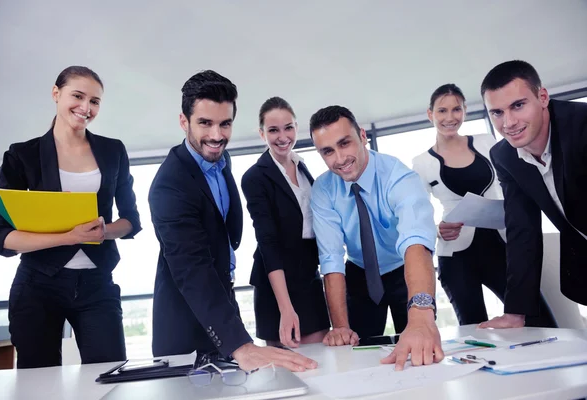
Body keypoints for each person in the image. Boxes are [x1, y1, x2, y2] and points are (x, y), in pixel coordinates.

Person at [148, 71, 317, 372]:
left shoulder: (220, 160)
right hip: (185, 324)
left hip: (223, 305)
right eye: (205, 123)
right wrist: (239, 344)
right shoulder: (169, 185)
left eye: (224, 124)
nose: (216, 135)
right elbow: (192, 268)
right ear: (184, 122)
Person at [0, 66, 142, 369]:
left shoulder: (113, 151)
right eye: (78, 96)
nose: (86, 108)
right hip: (38, 286)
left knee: (110, 375)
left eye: (95, 101)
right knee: (39, 383)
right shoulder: (22, 155)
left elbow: (131, 220)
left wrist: (103, 232)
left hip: (97, 283)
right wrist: (71, 236)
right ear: (56, 94)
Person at [310, 105, 443, 370]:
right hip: (359, 275)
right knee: (355, 358)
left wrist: (421, 313)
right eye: (328, 151)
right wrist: (340, 327)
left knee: (421, 353)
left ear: (362, 136)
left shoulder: (398, 175)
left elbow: (416, 241)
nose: (339, 158)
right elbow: (332, 259)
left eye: (344, 143)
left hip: (404, 269)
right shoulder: (323, 189)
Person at [412, 84, 556, 328]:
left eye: (456, 109)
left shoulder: (486, 142)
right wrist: (437, 229)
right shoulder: (421, 162)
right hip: (456, 254)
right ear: (430, 114)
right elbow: (417, 215)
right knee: (472, 328)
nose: (450, 117)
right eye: (442, 111)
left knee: (537, 319)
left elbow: (514, 181)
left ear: (465, 111)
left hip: (501, 245)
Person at [479, 60, 587, 329]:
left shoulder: (583, 125)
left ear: (542, 97)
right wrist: (515, 312)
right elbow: (522, 229)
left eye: (518, 105)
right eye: (497, 112)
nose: (509, 122)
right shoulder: (504, 156)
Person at [241, 97, 330, 348]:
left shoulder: (303, 167)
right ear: (262, 134)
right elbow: (267, 242)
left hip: (308, 276)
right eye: (273, 130)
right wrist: (286, 308)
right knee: (287, 367)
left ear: (296, 127)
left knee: (322, 360)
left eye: (288, 127)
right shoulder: (255, 177)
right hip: (276, 283)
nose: (282, 136)